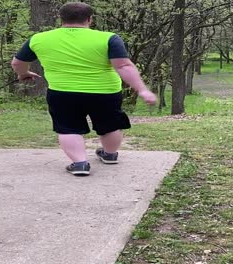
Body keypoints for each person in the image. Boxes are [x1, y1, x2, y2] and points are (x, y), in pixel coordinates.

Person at [11, 2, 156, 176]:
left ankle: (80, 164)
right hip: (105, 92)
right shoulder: (109, 38)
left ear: (61, 18)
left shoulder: (39, 39)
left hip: (63, 92)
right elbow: (124, 66)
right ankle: (110, 155)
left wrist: (24, 73)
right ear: (89, 19)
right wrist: (142, 90)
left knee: (68, 127)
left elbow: (17, 63)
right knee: (110, 125)